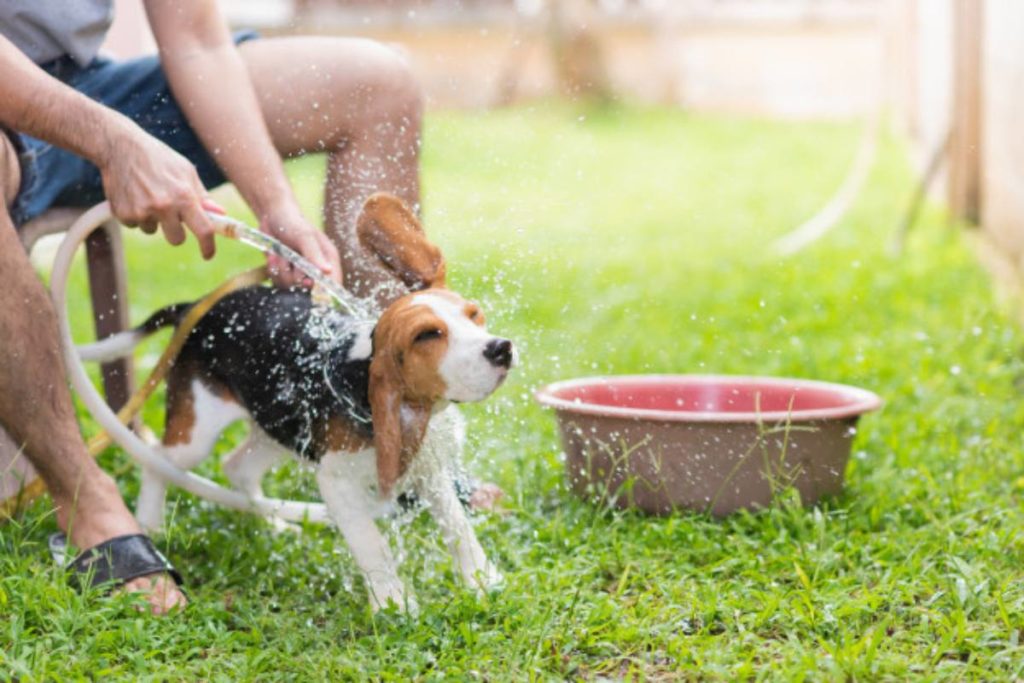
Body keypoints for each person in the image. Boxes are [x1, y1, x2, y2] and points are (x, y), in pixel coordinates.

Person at [0, 1, 426, 614]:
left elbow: (196, 39)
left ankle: (394, 422)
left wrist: (274, 204)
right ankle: (84, 501)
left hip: (84, 82)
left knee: (378, 82)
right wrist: (112, 140)